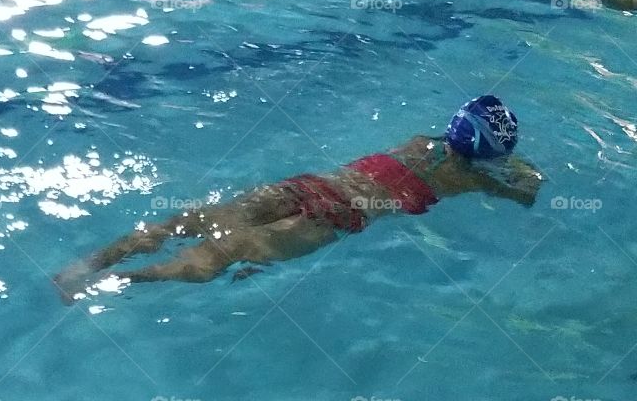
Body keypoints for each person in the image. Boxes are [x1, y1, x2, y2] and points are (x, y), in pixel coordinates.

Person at [53, 95, 543, 301]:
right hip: (336, 216)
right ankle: (112, 284)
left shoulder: (419, 141)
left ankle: (86, 266)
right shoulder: (473, 179)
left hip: (307, 185)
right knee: (218, 258)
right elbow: (528, 193)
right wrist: (515, 169)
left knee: (188, 223)